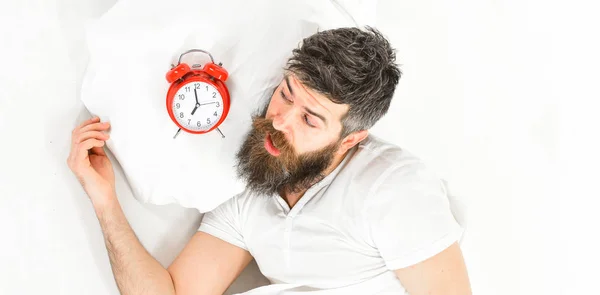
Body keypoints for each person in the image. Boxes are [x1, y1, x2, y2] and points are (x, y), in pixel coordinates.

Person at [68, 27, 471, 295]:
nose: (278, 120)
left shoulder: (393, 189)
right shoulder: (253, 186)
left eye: (309, 119)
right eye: (286, 93)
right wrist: (104, 199)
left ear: (351, 139)